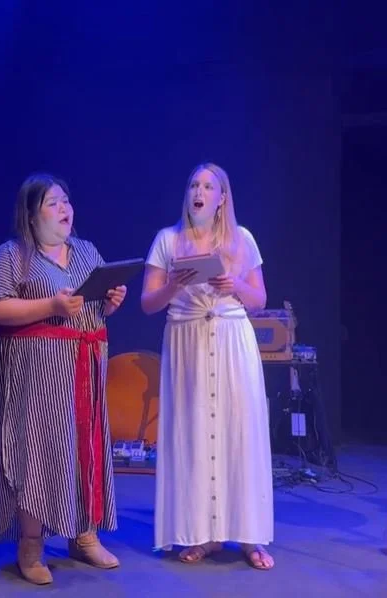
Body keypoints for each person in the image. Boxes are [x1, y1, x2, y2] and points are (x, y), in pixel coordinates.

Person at [0, 173, 126, 585]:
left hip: (84, 365)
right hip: (35, 372)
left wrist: (112, 302)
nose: (64, 209)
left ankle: (84, 534)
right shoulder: (12, 255)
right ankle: (31, 544)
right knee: (39, 450)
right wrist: (51, 306)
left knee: (84, 446)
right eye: (53, 202)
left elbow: (95, 307)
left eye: (66, 201)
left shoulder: (86, 251)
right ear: (31, 214)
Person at [141, 162, 275, 570]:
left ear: (221, 198)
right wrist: (174, 284)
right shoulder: (167, 239)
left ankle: (250, 536)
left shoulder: (242, 238)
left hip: (232, 339)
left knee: (241, 433)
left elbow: (260, 300)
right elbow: (148, 303)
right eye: (193, 185)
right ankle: (203, 534)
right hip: (187, 342)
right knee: (194, 434)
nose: (198, 192)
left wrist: (236, 285)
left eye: (208, 186)